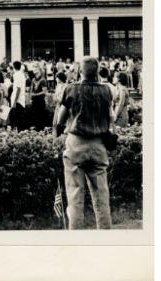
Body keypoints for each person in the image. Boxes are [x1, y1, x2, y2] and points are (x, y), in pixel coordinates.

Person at [54, 56, 114, 230]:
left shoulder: (71, 89)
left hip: (76, 144)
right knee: (102, 195)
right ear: (97, 71)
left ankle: (77, 238)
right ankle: (105, 235)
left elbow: (61, 118)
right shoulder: (107, 90)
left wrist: (58, 130)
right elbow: (111, 118)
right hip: (99, 144)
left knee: (75, 196)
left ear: (80, 71)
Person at [10, 61, 27, 131]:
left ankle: (20, 134)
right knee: (19, 119)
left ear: (13, 67)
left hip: (18, 100)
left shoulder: (16, 74)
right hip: (20, 99)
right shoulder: (22, 75)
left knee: (18, 120)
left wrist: (14, 102)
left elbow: (18, 89)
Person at [30, 65, 47, 131]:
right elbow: (32, 89)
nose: (34, 70)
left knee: (40, 115)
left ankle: (41, 130)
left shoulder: (43, 80)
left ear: (39, 71)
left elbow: (44, 91)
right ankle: (35, 129)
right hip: (34, 100)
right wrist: (31, 95)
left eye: (36, 69)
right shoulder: (33, 79)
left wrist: (34, 95)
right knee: (34, 115)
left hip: (40, 100)